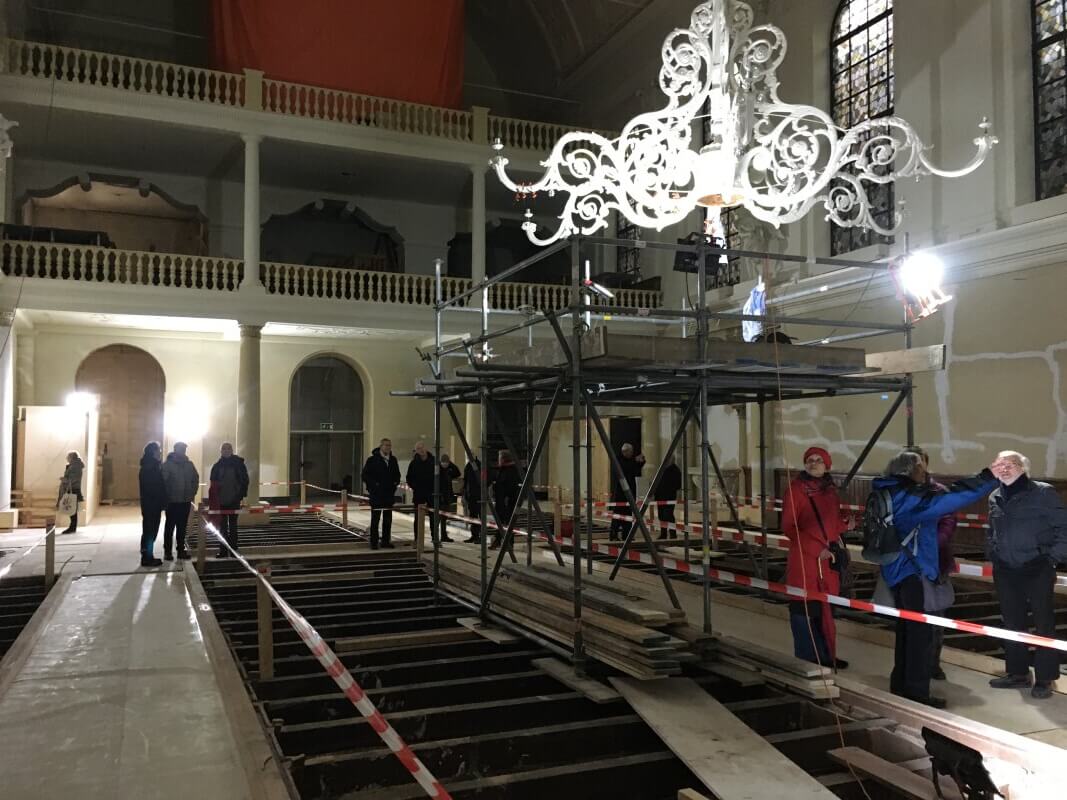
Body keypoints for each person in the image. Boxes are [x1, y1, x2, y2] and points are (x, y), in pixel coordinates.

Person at [874, 451, 997, 709]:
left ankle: (900, 683)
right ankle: (917, 692)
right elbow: (955, 498)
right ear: (910, 470)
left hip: (894, 569)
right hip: (912, 571)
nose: (924, 472)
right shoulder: (911, 498)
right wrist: (990, 477)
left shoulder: (886, 491)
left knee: (906, 630)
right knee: (919, 634)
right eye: (920, 468)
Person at [986, 450, 1067, 700]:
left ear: (1024, 468)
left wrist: (1052, 557)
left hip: (1037, 566)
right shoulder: (995, 496)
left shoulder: (1042, 493)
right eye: (1000, 464)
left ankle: (1045, 678)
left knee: (1043, 623)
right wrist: (993, 552)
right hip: (1006, 570)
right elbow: (992, 529)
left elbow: (1063, 527)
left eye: (1012, 464)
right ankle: (1018, 673)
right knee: (1012, 622)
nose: (1005, 468)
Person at [781, 446, 849, 670]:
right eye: (810, 459)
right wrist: (814, 549)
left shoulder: (830, 491)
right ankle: (808, 660)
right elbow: (789, 527)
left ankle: (826, 654)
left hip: (826, 561)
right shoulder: (796, 490)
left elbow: (831, 523)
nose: (814, 463)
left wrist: (847, 524)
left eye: (819, 460)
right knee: (804, 610)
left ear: (826, 464)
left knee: (825, 610)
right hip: (805, 561)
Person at [904, 445, 956, 681]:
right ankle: (910, 666)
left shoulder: (940, 493)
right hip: (905, 569)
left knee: (936, 620)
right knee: (907, 620)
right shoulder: (898, 492)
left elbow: (947, 525)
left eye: (918, 461)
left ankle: (932, 664)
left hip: (934, 565)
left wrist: (924, 547)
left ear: (926, 463)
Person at [161, 441, 200, 560]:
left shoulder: (189, 465)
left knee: (182, 527)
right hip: (172, 501)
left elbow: (195, 479)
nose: (183, 451)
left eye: (184, 449)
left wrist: (192, 492)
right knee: (170, 527)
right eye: (180, 449)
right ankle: (168, 551)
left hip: (185, 501)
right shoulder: (167, 465)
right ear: (175, 450)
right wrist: (166, 496)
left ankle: (180, 550)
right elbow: (163, 482)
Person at [209, 442, 249, 557]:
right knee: (222, 527)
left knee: (233, 525)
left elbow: (245, 480)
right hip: (220, 501)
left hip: (234, 500)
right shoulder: (216, 466)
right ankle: (223, 550)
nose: (226, 451)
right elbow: (213, 484)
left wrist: (240, 495)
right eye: (224, 449)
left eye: (228, 449)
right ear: (220, 451)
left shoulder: (239, 464)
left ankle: (233, 549)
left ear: (232, 450)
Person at [361, 438, 401, 549]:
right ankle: (374, 542)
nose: (388, 447)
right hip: (376, 495)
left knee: (387, 520)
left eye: (389, 445)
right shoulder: (372, 460)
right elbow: (365, 475)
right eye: (386, 445)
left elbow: (397, 475)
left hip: (388, 495)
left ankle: (385, 541)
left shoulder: (393, 460)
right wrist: (374, 486)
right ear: (381, 446)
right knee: (375, 519)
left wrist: (394, 484)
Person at [138, 441, 166, 567]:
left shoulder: (151, 466)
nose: (160, 452)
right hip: (152, 504)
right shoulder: (150, 467)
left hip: (151, 503)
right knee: (150, 530)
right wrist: (160, 499)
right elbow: (153, 487)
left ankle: (148, 555)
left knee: (150, 530)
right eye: (158, 450)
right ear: (153, 452)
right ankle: (147, 557)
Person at [610, 443, 645, 541]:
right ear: (625, 452)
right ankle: (613, 535)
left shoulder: (630, 460)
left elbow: (635, 470)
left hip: (630, 492)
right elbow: (625, 469)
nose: (632, 453)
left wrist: (641, 462)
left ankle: (627, 535)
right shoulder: (618, 460)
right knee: (617, 516)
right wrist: (635, 461)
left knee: (628, 515)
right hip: (621, 493)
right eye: (631, 452)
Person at [491, 449, 520, 550]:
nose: (498, 460)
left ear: (504, 459)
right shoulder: (502, 469)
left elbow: (510, 487)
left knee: (508, 522)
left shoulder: (511, 470)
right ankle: (498, 540)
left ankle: (509, 543)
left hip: (507, 501)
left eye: (500, 458)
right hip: (500, 501)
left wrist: (506, 499)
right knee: (500, 521)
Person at [434, 454, 460, 544]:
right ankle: (435, 536)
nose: (445, 465)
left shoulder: (449, 471)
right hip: (439, 497)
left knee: (444, 518)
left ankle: (444, 536)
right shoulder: (438, 471)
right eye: (444, 463)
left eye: (447, 463)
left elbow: (458, 472)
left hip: (447, 497)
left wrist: (451, 464)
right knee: (437, 519)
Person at [655, 456, 683, 540]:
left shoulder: (676, 470)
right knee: (661, 516)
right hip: (660, 497)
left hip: (669, 497)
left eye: (668, 460)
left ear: (672, 460)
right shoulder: (662, 469)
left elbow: (678, 485)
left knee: (668, 515)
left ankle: (673, 534)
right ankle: (663, 534)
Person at [57, 450, 85, 534]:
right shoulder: (73, 465)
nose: (66, 458)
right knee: (72, 509)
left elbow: (73, 479)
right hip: (72, 488)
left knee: (72, 509)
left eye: (68, 457)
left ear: (71, 457)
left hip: (73, 489)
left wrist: (64, 479)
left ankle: (72, 527)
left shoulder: (75, 466)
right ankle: (72, 527)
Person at [463, 455, 482, 543]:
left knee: (480, 516)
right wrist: (465, 494)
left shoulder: (480, 465)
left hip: (478, 495)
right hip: (471, 496)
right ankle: (474, 535)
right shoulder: (468, 466)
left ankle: (480, 536)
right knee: (473, 516)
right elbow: (466, 481)